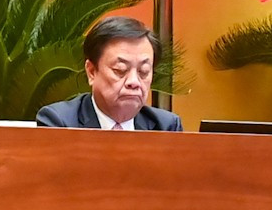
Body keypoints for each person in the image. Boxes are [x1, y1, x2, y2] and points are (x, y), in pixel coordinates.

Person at [35, 16, 183, 131]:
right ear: (92, 72)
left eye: (143, 72)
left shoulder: (166, 126)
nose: (134, 82)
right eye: (120, 70)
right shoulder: (60, 122)